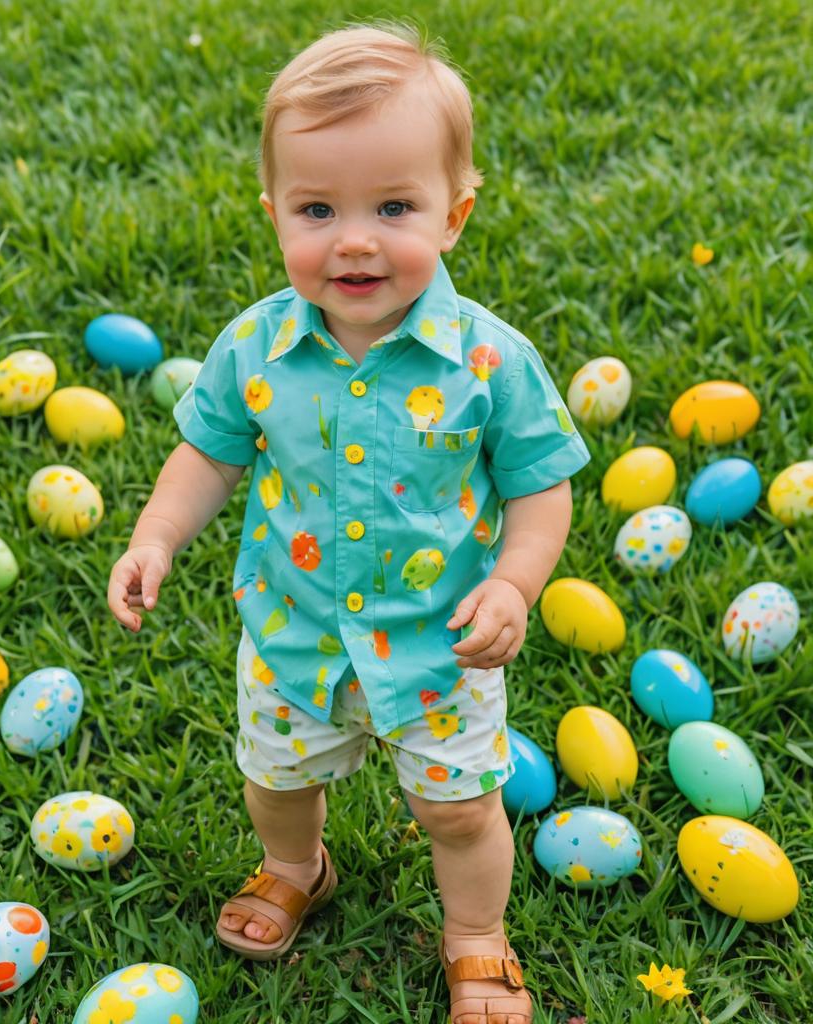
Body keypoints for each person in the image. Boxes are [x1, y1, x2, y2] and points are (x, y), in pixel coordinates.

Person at [108, 21, 591, 1023]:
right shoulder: (254, 348)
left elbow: (542, 486)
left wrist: (515, 580)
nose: (355, 238)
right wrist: (156, 534)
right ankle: (295, 863)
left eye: (394, 206)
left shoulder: (491, 362)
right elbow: (207, 454)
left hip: (438, 650)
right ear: (273, 212)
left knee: (457, 810)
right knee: (275, 781)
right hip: (294, 637)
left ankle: (473, 935)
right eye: (318, 207)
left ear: (454, 215)